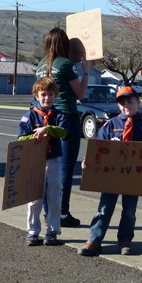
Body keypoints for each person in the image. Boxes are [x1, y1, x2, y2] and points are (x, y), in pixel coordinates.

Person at [79, 85, 142, 257]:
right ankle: (94, 240)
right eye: (122, 102)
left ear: (138, 102)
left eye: (130, 101)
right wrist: (87, 161)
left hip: (133, 178)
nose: (126, 105)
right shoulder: (110, 125)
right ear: (119, 105)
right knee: (104, 209)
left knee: (129, 211)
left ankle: (125, 240)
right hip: (111, 176)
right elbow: (96, 147)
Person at [36, 28, 91, 228]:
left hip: (45, 118)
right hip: (66, 117)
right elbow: (80, 94)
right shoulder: (66, 65)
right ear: (63, 44)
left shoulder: (40, 66)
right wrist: (86, 71)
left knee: (47, 166)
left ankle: (48, 211)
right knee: (66, 167)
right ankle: (63, 213)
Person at [18, 77, 68, 246]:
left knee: (54, 197)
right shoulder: (29, 116)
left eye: (51, 94)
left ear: (56, 96)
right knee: (34, 200)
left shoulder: (58, 116)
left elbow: (64, 132)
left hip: (53, 161)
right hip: (35, 163)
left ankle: (53, 231)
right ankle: (33, 232)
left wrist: (48, 129)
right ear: (36, 96)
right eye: (43, 94)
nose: (47, 98)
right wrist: (35, 135)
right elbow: (21, 138)